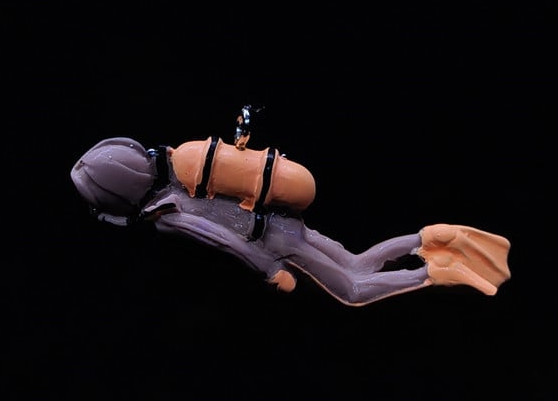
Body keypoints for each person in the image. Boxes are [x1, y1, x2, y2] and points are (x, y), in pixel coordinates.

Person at [70, 130, 511, 307]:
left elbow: (222, 240)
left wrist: (269, 270)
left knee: (353, 290)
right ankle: (425, 236)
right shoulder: (180, 163)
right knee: (358, 260)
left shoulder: (166, 213)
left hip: (275, 242)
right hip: (283, 220)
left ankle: (433, 273)